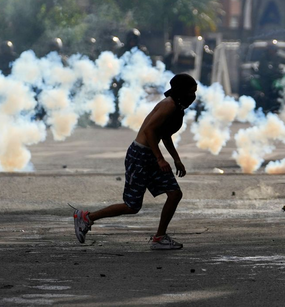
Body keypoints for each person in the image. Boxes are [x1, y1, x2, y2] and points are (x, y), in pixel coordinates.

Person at [71, 73, 197, 250]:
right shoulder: (168, 105)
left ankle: (159, 237)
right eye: (191, 92)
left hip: (150, 155)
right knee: (132, 206)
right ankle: (87, 217)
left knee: (175, 194)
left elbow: (165, 134)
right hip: (140, 155)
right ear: (181, 91)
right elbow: (150, 132)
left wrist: (176, 159)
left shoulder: (176, 107)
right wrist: (160, 159)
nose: (193, 96)